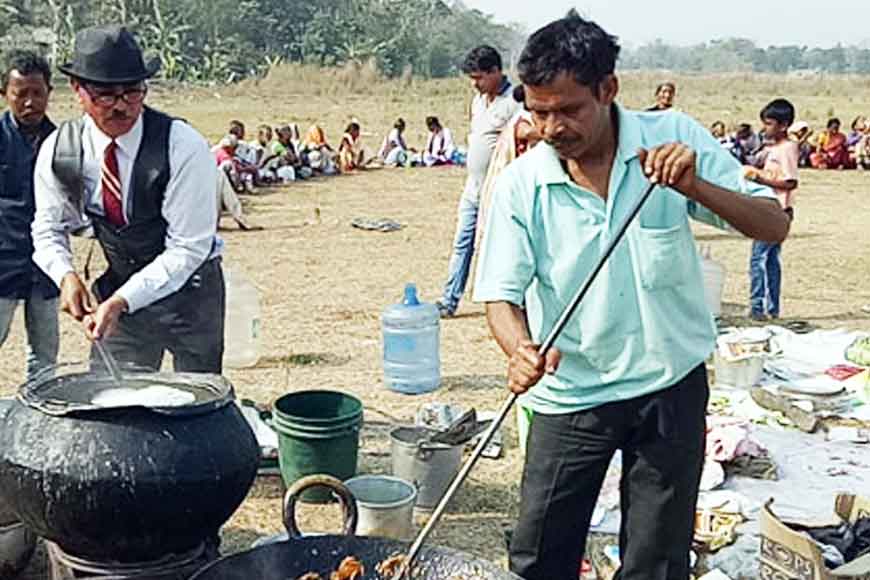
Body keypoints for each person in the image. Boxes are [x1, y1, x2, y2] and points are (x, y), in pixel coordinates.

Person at [472, 12, 789, 580]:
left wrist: (696, 187)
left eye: (569, 109)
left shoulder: (671, 143)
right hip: (571, 395)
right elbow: (500, 295)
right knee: (538, 554)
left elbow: (772, 225)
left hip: (668, 388)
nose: (551, 128)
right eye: (539, 112)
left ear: (608, 89)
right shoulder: (524, 184)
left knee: (657, 561)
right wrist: (518, 348)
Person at [32, 25, 225, 373]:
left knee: (197, 407)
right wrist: (65, 275)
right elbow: (47, 228)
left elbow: (187, 249)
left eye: (133, 92)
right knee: (115, 397)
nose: (121, 107)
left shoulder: (182, 146)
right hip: (120, 292)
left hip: (192, 297)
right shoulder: (60, 151)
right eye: (106, 95)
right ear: (78, 90)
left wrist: (123, 300)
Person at [435, 45, 518, 318]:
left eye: (479, 77)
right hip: (473, 187)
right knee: (463, 242)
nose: (475, 84)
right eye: (472, 78)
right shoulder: (477, 102)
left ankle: (508, 305)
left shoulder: (514, 103)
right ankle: (449, 300)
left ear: (496, 71)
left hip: (498, 190)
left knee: (495, 247)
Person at [0, 50, 60, 380]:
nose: (30, 102)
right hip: (3, 261)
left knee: (45, 354)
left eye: (37, 93)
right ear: (4, 94)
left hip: (46, 264)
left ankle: (39, 420)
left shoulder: (63, 142)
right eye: (20, 94)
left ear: (50, 92)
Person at [744, 99, 799, 321]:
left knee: (759, 259)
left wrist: (761, 178)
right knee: (770, 260)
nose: (765, 128)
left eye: (769, 124)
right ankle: (771, 307)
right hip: (769, 207)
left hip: (776, 210)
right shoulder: (773, 149)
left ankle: (759, 307)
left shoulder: (786, 149)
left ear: (783, 125)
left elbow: (789, 181)